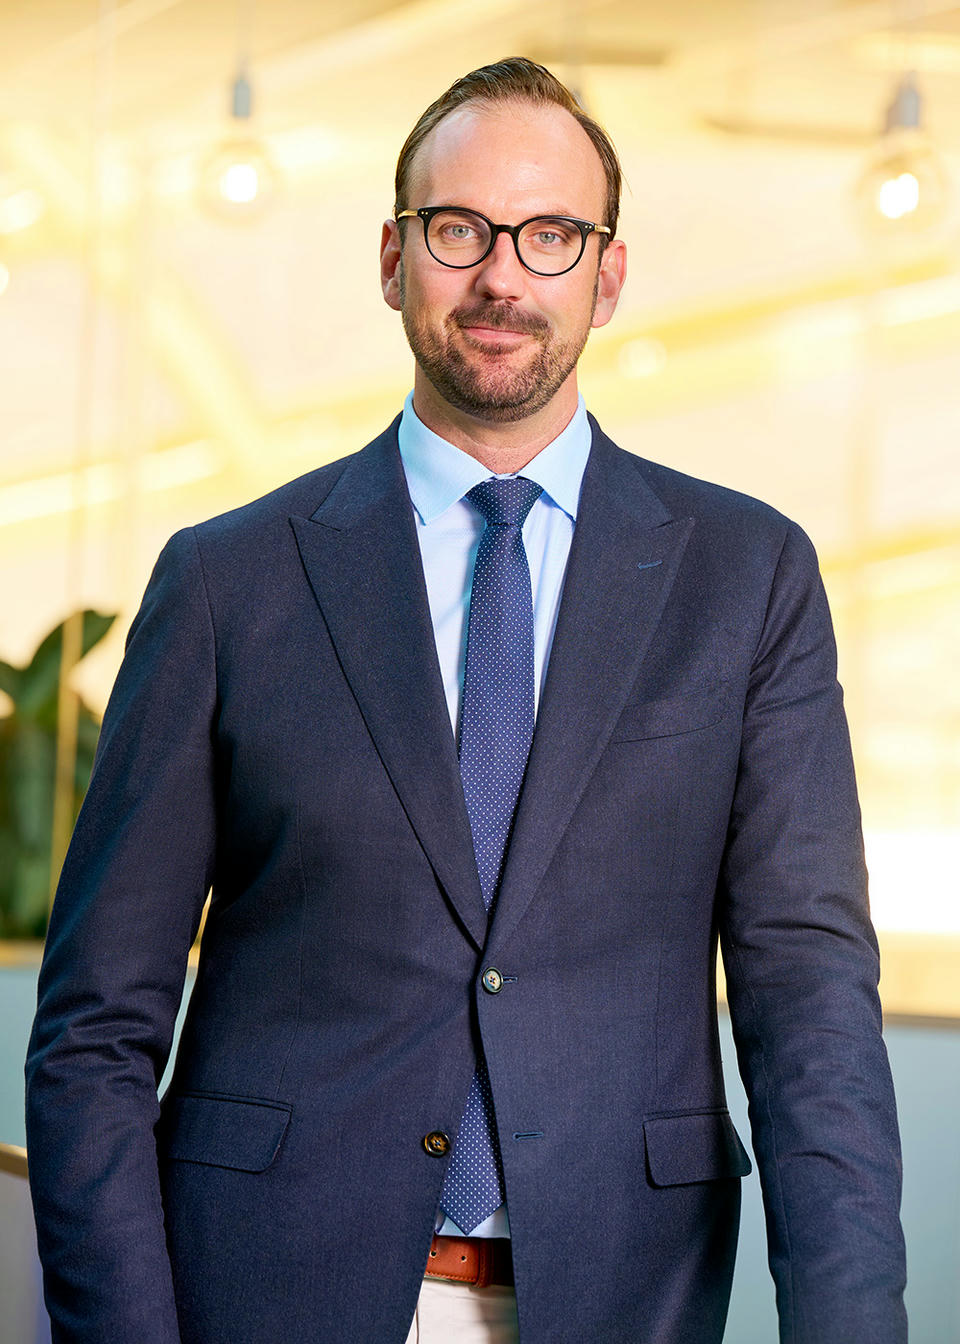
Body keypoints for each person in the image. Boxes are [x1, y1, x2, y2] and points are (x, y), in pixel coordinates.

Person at [25, 57, 907, 1344]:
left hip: (620, 1293)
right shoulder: (227, 583)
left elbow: (810, 1005)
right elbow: (95, 1029)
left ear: (608, 275)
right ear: (394, 260)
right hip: (267, 1290)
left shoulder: (747, 577)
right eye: (459, 230)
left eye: (550, 235)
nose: (502, 276)